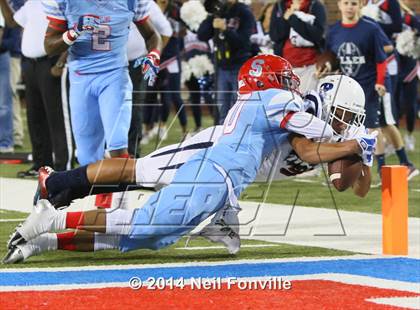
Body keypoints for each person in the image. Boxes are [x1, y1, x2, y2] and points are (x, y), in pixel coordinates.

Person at [3, 56, 377, 263]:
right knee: (141, 171)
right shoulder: (303, 115)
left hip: (234, 176)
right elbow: (310, 151)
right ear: (328, 104)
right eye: (344, 115)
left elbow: (348, 185)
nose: (346, 124)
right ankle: (58, 183)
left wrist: (365, 152)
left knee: (149, 227)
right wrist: (352, 145)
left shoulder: (334, 133)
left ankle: (52, 231)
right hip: (214, 155)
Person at [41, 0, 162, 208]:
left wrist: (154, 54)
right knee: (87, 156)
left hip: (115, 76)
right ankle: (98, 201)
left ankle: (119, 206)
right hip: (81, 79)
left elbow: (152, 35)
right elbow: (49, 47)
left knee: (117, 144)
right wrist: (74, 32)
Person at [317, 0, 418, 181]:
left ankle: (383, 168)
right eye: (346, 3)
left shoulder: (370, 28)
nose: (349, 7)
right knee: (377, 126)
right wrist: (325, 67)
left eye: (353, 3)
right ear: (339, 5)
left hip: (372, 85)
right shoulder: (333, 31)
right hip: (350, 88)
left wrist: (380, 82)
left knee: (377, 126)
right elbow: (331, 56)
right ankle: (401, 163)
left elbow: (383, 55)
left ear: (360, 6)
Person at [0, 0, 72, 173]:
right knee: (35, 118)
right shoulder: (32, 3)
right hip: (31, 64)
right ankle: (41, 165)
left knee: (57, 118)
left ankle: (63, 167)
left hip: (51, 63)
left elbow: (74, 32)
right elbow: (12, 22)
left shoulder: (61, 2)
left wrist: (62, 63)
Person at [126, 1, 173, 156]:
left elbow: (166, 30)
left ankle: (133, 153)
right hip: (109, 65)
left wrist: (152, 56)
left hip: (134, 63)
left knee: (133, 108)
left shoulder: (144, 3)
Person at [198, 0, 256, 124]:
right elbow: (201, 35)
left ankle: (239, 139)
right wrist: (212, 18)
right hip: (221, 67)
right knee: (222, 109)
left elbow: (243, 42)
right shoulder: (219, 11)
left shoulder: (244, 12)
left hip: (239, 66)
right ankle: (221, 140)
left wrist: (226, 29)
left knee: (239, 108)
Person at [269, 0, 327, 93]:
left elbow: (317, 36)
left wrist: (292, 18)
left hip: (310, 66)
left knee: (308, 103)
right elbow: (275, 36)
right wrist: (285, 18)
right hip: (286, 68)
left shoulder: (316, 5)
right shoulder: (280, 5)